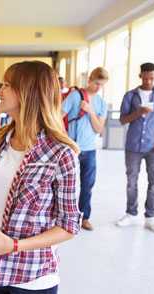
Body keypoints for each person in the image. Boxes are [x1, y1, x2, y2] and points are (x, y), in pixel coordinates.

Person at [0, 61, 81, 294]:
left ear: (28, 93)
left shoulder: (61, 155)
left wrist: (13, 245)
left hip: (31, 279)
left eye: (7, 85)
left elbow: (68, 226)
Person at [116, 62, 154, 234]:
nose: (148, 81)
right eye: (145, 77)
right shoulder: (130, 96)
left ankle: (151, 218)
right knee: (131, 181)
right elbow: (123, 120)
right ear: (140, 76)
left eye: (152, 78)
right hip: (133, 146)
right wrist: (138, 113)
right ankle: (131, 213)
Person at [62, 67, 109, 231]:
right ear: (90, 79)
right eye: (96, 83)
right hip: (72, 148)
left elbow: (98, 129)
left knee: (87, 185)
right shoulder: (76, 96)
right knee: (66, 184)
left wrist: (90, 111)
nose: (98, 87)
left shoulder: (102, 104)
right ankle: (63, 216)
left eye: (102, 85)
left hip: (89, 150)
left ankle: (84, 217)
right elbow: (58, 114)